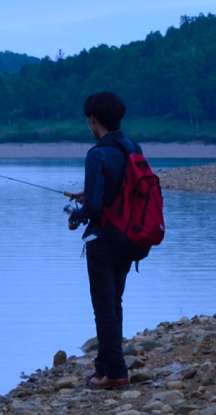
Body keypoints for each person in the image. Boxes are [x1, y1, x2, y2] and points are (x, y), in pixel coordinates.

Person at [68, 91, 140, 389]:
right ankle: (105, 366)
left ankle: (116, 371)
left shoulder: (97, 154)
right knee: (114, 303)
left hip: (103, 240)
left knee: (104, 307)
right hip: (129, 238)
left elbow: (95, 207)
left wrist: (77, 215)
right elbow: (121, 190)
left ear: (93, 119)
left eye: (88, 118)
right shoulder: (132, 147)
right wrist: (89, 196)